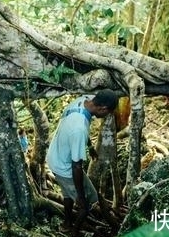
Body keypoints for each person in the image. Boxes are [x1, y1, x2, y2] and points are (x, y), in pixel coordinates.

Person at [46, 89, 118, 236]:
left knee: (67, 195)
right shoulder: (78, 129)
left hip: (55, 157)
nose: (107, 116)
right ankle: (74, 233)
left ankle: (66, 224)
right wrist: (80, 196)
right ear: (102, 108)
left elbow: (82, 128)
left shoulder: (83, 101)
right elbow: (76, 166)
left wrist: (90, 146)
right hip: (64, 167)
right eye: (108, 112)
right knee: (85, 205)